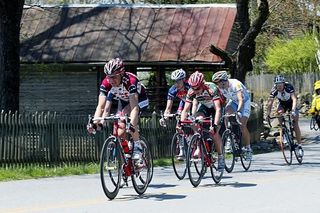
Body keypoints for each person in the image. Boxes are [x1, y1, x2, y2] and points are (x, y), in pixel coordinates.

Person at [87, 58, 149, 160]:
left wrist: (131, 125)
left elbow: (134, 108)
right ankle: (127, 154)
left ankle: (138, 147)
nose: (111, 81)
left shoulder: (130, 81)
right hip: (124, 101)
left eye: (114, 77)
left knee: (127, 122)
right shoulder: (106, 83)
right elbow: (101, 107)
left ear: (121, 74)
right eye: (109, 77)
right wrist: (95, 123)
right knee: (120, 131)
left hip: (139, 100)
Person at [180, 71, 225, 171]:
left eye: (198, 88)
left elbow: (217, 109)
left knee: (214, 133)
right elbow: (186, 110)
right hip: (205, 106)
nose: (196, 91)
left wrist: (215, 125)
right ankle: (200, 146)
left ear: (202, 84)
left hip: (216, 107)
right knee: (196, 121)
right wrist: (181, 123)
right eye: (193, 88)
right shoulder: (191, 91)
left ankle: (221, 157)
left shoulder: (211, 88)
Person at [212, 70, 252, 160]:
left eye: (217, 83)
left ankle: (248, 148)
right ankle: (228, 134)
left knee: (242, 125)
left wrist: (238, 111)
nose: (217, 85)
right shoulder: (221, 88)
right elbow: (222, 100)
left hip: (244, 102)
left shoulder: (235, 84)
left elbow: (241, 99)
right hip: (233, 101)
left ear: (223, 82)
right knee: (226, 113)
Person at [265, 75, 303, 157]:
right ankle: (284, 131)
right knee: (278, 113)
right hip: (283, 104)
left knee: (295, 122)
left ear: (283, 84)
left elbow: (294, 99)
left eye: (280, 84)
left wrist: (293, 110)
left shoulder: (288, 87)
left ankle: (299, 145)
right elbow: (270, 103)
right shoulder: (274, 90)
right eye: (277, 85)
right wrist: (268, 114)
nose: (279, 86)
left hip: (291, 104)